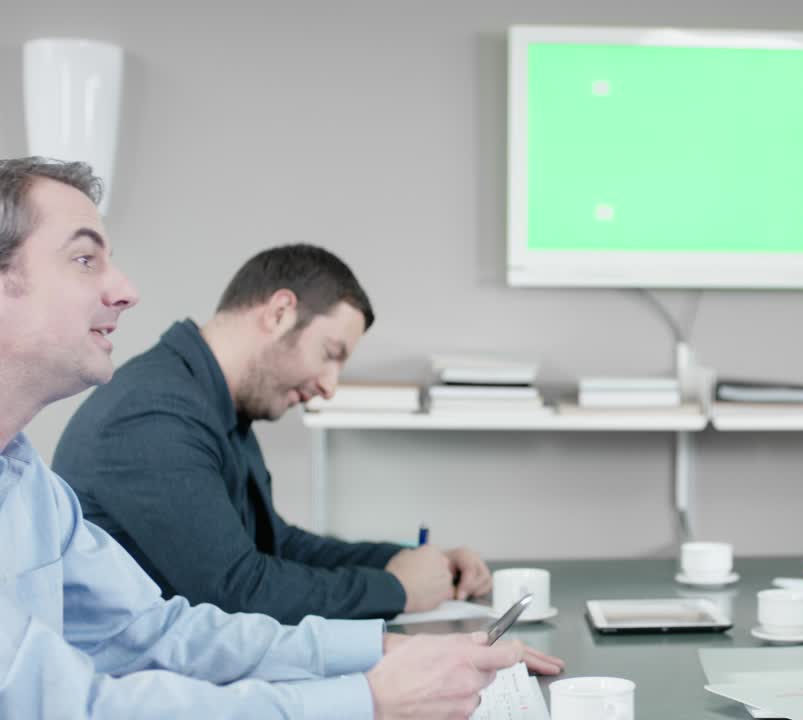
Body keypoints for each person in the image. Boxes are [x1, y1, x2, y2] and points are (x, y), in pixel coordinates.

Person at [0, 156, 563, 718]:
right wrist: (370, 691)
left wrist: (388, 640)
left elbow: (164, 628)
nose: (125, 290)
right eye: (83, 259)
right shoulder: (150, 416)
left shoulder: (32, 485)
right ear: (279, 312)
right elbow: (84, 705)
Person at [53, 244, 490, 624]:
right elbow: (238, 592)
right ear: (280, 313)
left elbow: (275, 544)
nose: (329, 386)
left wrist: (405, 563)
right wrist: (397, 590)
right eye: (329, 354)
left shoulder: (213, 402)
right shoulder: (153, 414)